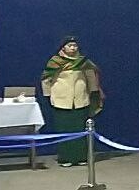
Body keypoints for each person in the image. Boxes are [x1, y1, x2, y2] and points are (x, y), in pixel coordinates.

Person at [40, 36, 104, 167]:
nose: (73, 48)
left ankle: (81, 157)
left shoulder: (83, 62)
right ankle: (65, 158)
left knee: (80, 130)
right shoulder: (55, 62)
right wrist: (48, 95)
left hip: (81, 100)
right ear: (63, 47)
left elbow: (91, 78)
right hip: (61, 101)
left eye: (75, 45)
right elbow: (46, 79)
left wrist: (94, 92)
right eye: (70, 46)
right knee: (64, 130)